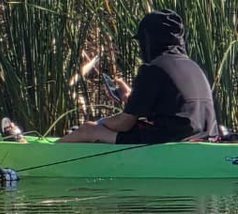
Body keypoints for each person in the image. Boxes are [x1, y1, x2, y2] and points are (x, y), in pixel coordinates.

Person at [58, 9, 221, 144]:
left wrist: (100, 123)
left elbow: (124, 124)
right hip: (205, 137)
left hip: (167, 140)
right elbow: (175, 108)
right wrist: (130, 98)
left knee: (88, 130)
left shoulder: (152, 68)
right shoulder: (194, 67)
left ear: (149, 40)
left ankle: (50, 155)